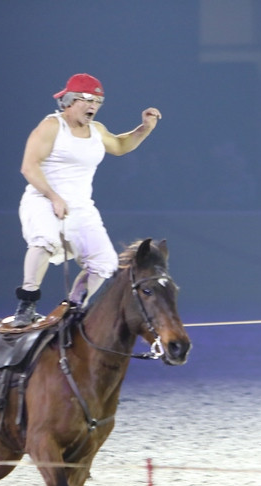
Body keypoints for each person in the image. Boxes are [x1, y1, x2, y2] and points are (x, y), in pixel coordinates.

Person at [11, 73, 162, 327]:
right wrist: (53, 196)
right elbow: (29, 167)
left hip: (81, 207)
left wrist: (145, 128)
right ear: (69, 101)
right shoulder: (51, 126)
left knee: (104, 262)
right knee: (44, 240)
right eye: (87, 100)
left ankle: (72, 308)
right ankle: (26, 304)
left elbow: (119, 145)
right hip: (42, 198)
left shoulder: (96, 130)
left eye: (98, 102)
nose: (93, 107)